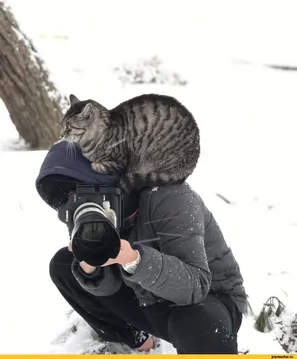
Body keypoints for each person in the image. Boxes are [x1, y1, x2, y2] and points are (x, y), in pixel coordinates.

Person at [36, 141, 247, 354]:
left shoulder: (171, 196)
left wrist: (134, 260)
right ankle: (134, 337)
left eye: (85, 190)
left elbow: (196, 286)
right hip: (148, 302)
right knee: (64, 265)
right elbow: (108, 288)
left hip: (210, 301)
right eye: (71, 196)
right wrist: (92, 268)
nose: (81, 200)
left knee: (197, 324)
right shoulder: (85, 213)